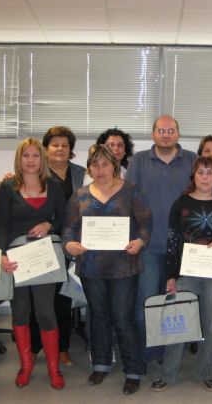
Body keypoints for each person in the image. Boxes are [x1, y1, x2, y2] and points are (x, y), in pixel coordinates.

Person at [63, 144, 151, 395]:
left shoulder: (131, 192)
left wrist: (140, 241)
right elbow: (68, 228)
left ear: (114, 165)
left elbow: (146, 224)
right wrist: (70, 244)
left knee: (123, 318)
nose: (100, 169)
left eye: (105, 164)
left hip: (124, 266)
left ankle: (134, 370)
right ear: (89, 167)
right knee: (99, 317)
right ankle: (100, 364)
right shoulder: (80, 195)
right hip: (91, 267)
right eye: (95, 164)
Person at [151, 156, 212, 393]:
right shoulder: (181, 203)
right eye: (200, 172)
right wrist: (171, 274)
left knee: (210, 326)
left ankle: (206, 371)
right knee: (180, 323)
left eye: (209, 173)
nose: (205, 177)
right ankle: (168, 374)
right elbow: (172, 240)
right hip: (185, 272)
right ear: (193, 176)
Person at [125, 115, 197, 364]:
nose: (166, 134)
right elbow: (129, 200)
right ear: (153, 133)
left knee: (177, 305)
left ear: (178, 133)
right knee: (146, 304)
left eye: (171, 130)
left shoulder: (192, 160)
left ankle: (171, 356)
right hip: (148, 245)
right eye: (161, 130)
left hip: (185, 249)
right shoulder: (139, 161)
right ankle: (148, 355)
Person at [0, 138, 66, 390]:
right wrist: (2, 254)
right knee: (21, 311)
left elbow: (65, 219)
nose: (30, 160)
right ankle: (25, 366)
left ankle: (52, 367)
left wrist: (50, 225)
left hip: (43, 258)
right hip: (17, 259)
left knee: (46, 312)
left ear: (42, 159)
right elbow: (2, 224)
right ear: (19, 158)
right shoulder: (7, 187)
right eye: (25, 155)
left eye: (35, 155)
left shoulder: (54, 185)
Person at [28, 126, 85, 366]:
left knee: (62, 298)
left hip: (72, 244)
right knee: (38, 299)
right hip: (42, 244)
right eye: (54, 145)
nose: (60, 149)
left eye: (65, 144)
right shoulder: (34, 174)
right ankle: (33, 346)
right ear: (46, 149)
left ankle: (62, 348)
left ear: (71, 149)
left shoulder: (81, 174)